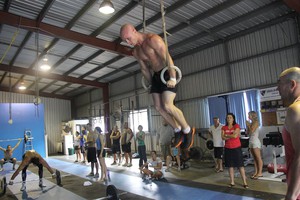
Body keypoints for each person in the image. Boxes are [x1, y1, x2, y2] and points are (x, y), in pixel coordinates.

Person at [120, 24, 195, 149]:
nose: (128, 42)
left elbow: (167, 57)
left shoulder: (152, 39)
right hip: (155, 76)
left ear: (134, 30)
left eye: (128, 38)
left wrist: (172, 77)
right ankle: (177, 130)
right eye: (125, 40)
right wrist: (150, 84)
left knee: (168, 105)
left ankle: (187, 130)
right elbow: (144, 69)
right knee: (158, 107)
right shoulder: (136, 51)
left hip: (166, 72)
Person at [277, 67, 300, 200]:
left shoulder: (295, 110)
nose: (277, 88)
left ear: (292, 84)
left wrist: (291, 195)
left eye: (279, 83)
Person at [221, 113, 248, 189]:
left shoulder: (236, 126)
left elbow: (235, 136)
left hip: (236, 148)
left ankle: (245, 182)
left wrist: (227, 135)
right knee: (230, 166)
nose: (229, 118)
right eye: (227, 117)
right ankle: (232, 182)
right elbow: (222, 137)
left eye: (230, 117)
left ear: (233, 119)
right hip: (228, 148)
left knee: (240, 166)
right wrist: (230, 135)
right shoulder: (224, 127)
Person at [246, 111, 263, 180]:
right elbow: (248, 133)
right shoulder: (251, 123)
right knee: (255, 158)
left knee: (258, 157)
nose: (248, 116)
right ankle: (256, 172)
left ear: (252, 115)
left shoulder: (256, 122)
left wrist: (248, 125)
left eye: (249, 115)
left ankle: (260, 172)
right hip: (251, 141)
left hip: (255, 141)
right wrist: (248, 126)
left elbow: (252, 130)